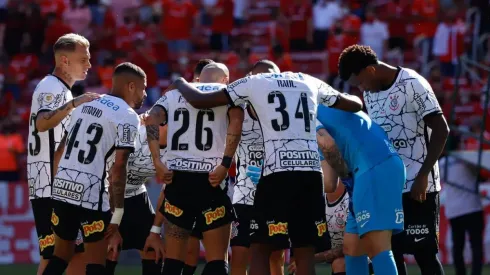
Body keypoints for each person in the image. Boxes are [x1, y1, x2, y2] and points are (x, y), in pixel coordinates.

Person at [166, 60, 363, 275]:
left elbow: (199, 100)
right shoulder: (306, 80)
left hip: (275, 176)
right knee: (304, 252)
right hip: (308, 176)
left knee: (260, 249)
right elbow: (353, 105)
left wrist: (180, 82)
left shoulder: (254, 83)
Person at [339, 44, 450, 275]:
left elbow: (442, 130)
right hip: (387, 186)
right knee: (389, 252)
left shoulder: (412, 83)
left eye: (359, 82)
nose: (361, 88)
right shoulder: (369, 94)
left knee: (424, 254)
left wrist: (422, 177)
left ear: (370, 70)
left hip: (420, 186)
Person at [42, 62, 146, 275]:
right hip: (91, 193)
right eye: (143, 88)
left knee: (60, 256)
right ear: (131, 86)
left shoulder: (86, 103)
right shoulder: (128, 116)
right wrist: (117, 215)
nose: (144, 94)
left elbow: (59, 153)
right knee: (97, 263)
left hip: (62, 188)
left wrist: (57, 188)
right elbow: (118, 170)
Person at [145, 63, 242, 275]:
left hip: (178, 181)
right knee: (217, 261)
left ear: (199, 79)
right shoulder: (229, 94)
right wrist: (226, 163)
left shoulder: (174, 94)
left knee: (173, 261)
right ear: (225, 79)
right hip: (212, 179)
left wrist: (157, 162)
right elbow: (236, 121)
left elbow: (151, 118)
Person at [27, 33, 98, 275]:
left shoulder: (60, 89)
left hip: (47, 184)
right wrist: (74, 104)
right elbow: (42, 123)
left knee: (59, 256)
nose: (89, 65)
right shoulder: (52, 87)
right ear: (65, 60)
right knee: (71, 254)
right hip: (52, 186)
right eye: (83, 59)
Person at [315, 105, 405, 275]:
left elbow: (327, 148)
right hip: (372, 166)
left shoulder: (305, 113)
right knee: (352, 247)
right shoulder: (319, 103)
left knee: (377, 245)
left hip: (372, 168)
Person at [230, 66, 286, 275]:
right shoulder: (236, 111)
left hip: (275, 197)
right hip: (244, 197)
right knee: (239, 258)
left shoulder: (284, 115)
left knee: (276, 258)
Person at [105, 122, 167, 275]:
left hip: (136, 192)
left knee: (153, 250)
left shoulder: (179, 145)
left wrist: (155, 230)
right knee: (109, 250)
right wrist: (114, 224)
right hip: (106, 193)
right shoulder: (137, 132)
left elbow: (169, 190)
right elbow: (113, 176)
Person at [440, 155, 484, 275]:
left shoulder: (443, 162)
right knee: (476, 246)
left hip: (454, 210)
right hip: (472, 207)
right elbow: (480, 176)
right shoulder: (469, 159)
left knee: (458, 247)